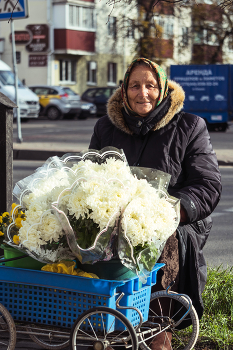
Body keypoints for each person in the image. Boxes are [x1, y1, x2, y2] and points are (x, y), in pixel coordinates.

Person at [89, 57, 222, 349]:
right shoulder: (105, 128)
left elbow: (208, 186)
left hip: (174, 225)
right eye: (135, 86)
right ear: (124, 91)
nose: (143, 93)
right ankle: (101, 321)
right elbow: (89, 177)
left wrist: (169, 211)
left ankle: (157, 333)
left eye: (150, 85)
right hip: (116, 223)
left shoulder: (189, 126)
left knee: (158, 243)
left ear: (162, 89)